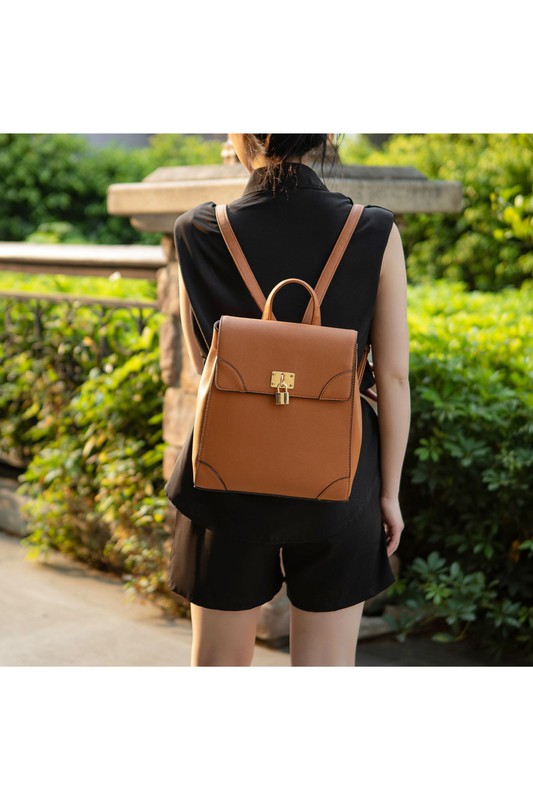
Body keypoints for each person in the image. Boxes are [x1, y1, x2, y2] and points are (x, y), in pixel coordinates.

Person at [166, 134, 410, 666]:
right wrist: (388, 494)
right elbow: (392, 378)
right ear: (325, 135)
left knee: (218, 667)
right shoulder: (374, 230)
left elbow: (201, 363)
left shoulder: (197, 230)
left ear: (240, 134)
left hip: (225, 472)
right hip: (341, 477)